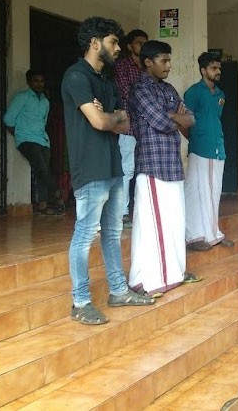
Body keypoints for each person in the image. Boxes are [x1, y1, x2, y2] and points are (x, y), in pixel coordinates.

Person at [61, 16, 154, 325]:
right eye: (114, 42)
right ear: (95, 43)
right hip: (89, 168)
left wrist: (110, 115)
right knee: (85, 234)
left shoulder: (107, 81)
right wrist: (110, 118)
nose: (118, 49)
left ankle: (118, 290)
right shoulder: (76, 77)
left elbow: (124, 123)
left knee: (113, 233)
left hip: (113, 165)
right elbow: (100, 123)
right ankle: (80, 301)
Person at [126, 40, 200, 297]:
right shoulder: (140, 89)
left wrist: (175, 117)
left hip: (172, 164)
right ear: (148, 62)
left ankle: (173, 274)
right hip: (153, 164)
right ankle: (147, 280)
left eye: (169, 60)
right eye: (163, 60)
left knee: (174, 221)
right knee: (153, 224)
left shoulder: (169, 89)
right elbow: (159, 121)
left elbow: (190, 119)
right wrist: (173, 117)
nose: (169, 65)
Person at [183, 52, 234, 251]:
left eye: (219, 68)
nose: (218, 71)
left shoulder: (220, 95)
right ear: (203, 70)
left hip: (216, 148)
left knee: (211, 192)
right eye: (214, 68)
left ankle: (209, 234)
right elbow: (183, 120)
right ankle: (200, 235)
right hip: (201, 148)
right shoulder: (194, 92)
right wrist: (195, 140)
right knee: (196, 192)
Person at [4, 69, 64, 215]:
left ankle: (42, 205)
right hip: (27, 140)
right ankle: (58, 195)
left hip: (43, 141)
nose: (39, 84)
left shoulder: (45, 101)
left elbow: (43, 122)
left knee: (41, 172)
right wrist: (20, 135)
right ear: (29, 82)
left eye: (41, 81)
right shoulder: (22, 97)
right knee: (43, 170)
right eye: (35, 80)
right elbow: (8, 119)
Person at [114, 29, 148, 226]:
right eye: (138, 43)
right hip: (128, 124)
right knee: (126, 169)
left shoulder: (146, 67)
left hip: (144, 125)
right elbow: (127, 92)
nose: (142, 46)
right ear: (130, 46)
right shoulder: (123, 66)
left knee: (141, 169)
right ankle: (123, 211)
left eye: (145, 43)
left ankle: (139, 210)